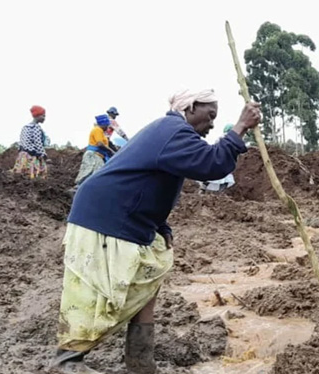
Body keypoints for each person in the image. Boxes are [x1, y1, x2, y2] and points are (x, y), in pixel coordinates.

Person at [50, 88, 261, 374]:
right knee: (98, 292)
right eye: (210, 115)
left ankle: (141, 365)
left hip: (124, 217)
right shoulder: (174, 131)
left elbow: (148, 181)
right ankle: (67, 363)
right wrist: (241, 127)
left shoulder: (172, 133)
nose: (212, 124)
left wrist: (160, 225)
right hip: (105, 218)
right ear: (190, 108)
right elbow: (212, 164)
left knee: (147, 281)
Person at [72, 114, 115, 188]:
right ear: (103, 124)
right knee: (89, 173)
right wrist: (111, 151)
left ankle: (88, 190)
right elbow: (100, 144)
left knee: (97, 175)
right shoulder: (97, 130)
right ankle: (77, 189)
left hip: (98, 156)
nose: (108, 127)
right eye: (107, 125)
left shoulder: (101, 132)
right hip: (93, 155)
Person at [198, 123, 237, 193]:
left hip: (219, 160)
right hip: (221, 161)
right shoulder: (226, 138)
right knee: (223, 178)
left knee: (218, 177)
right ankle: (217, 193)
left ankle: (204, 189)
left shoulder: (222, 138)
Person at [12, 105, 48, 179]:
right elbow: (38, 142)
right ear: (37, 116)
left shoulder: (25, 127)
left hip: (23, 155)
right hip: (32, 156)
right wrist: (43, 154)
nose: (44, 118)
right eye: (43, 116)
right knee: (35, 175)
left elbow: (21, 141)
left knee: (21, 174)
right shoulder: (36, 127)